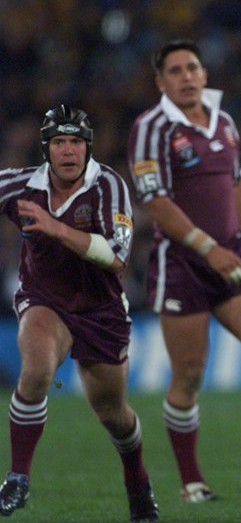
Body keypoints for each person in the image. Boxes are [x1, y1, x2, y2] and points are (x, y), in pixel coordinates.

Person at [126, 39, 241, 503]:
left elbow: (237, 182)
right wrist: (207, 248)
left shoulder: (223, 121)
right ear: (161, 83)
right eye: (176, 71)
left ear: (204, 75)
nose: (186, 76)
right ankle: (192, 483)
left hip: (232, 255)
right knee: (188, 376)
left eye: (193, 68)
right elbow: (154, 201)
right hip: (182, 263)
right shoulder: (151, 127)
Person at [0, 105, 158, 521]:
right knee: (35, 370)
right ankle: (17, 477)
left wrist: (55, 228)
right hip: (44, 300)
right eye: (59, 143)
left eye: (75, 142)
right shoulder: (19, 186)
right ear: (46, 149)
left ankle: (136, 478)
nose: (68, 151)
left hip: (100, 310)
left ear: (87, 148)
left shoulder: (108, 185)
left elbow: (116, 257)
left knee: (115, 416)